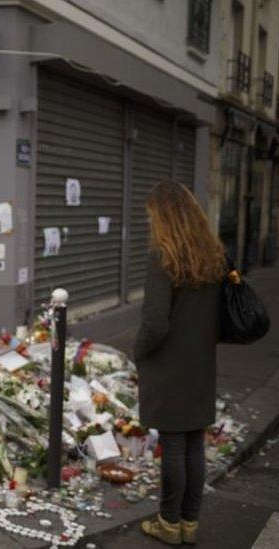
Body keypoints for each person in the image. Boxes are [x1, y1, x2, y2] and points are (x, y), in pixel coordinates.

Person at [135, 181, 226, 545]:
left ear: (163, 216)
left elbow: (155, 322)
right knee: (193, 443)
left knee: (173, 445)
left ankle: (168, 523)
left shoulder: (163, 255)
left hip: (170, 364)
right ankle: (189, 521)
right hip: (201, 362)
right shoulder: (212, 254)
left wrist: (140, 351)